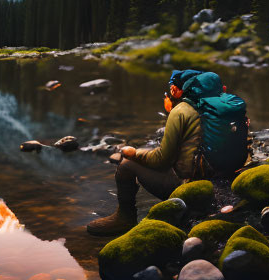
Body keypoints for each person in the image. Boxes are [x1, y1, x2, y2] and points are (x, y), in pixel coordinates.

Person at [86, 69, 203, 236]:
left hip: (190, 188)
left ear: (175, 91)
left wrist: (135, 153)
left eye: (168, 91)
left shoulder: (181, 112)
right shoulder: (215, 106)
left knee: (127, 165)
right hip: (216, 180)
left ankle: (125, 219)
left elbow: (162, 159)